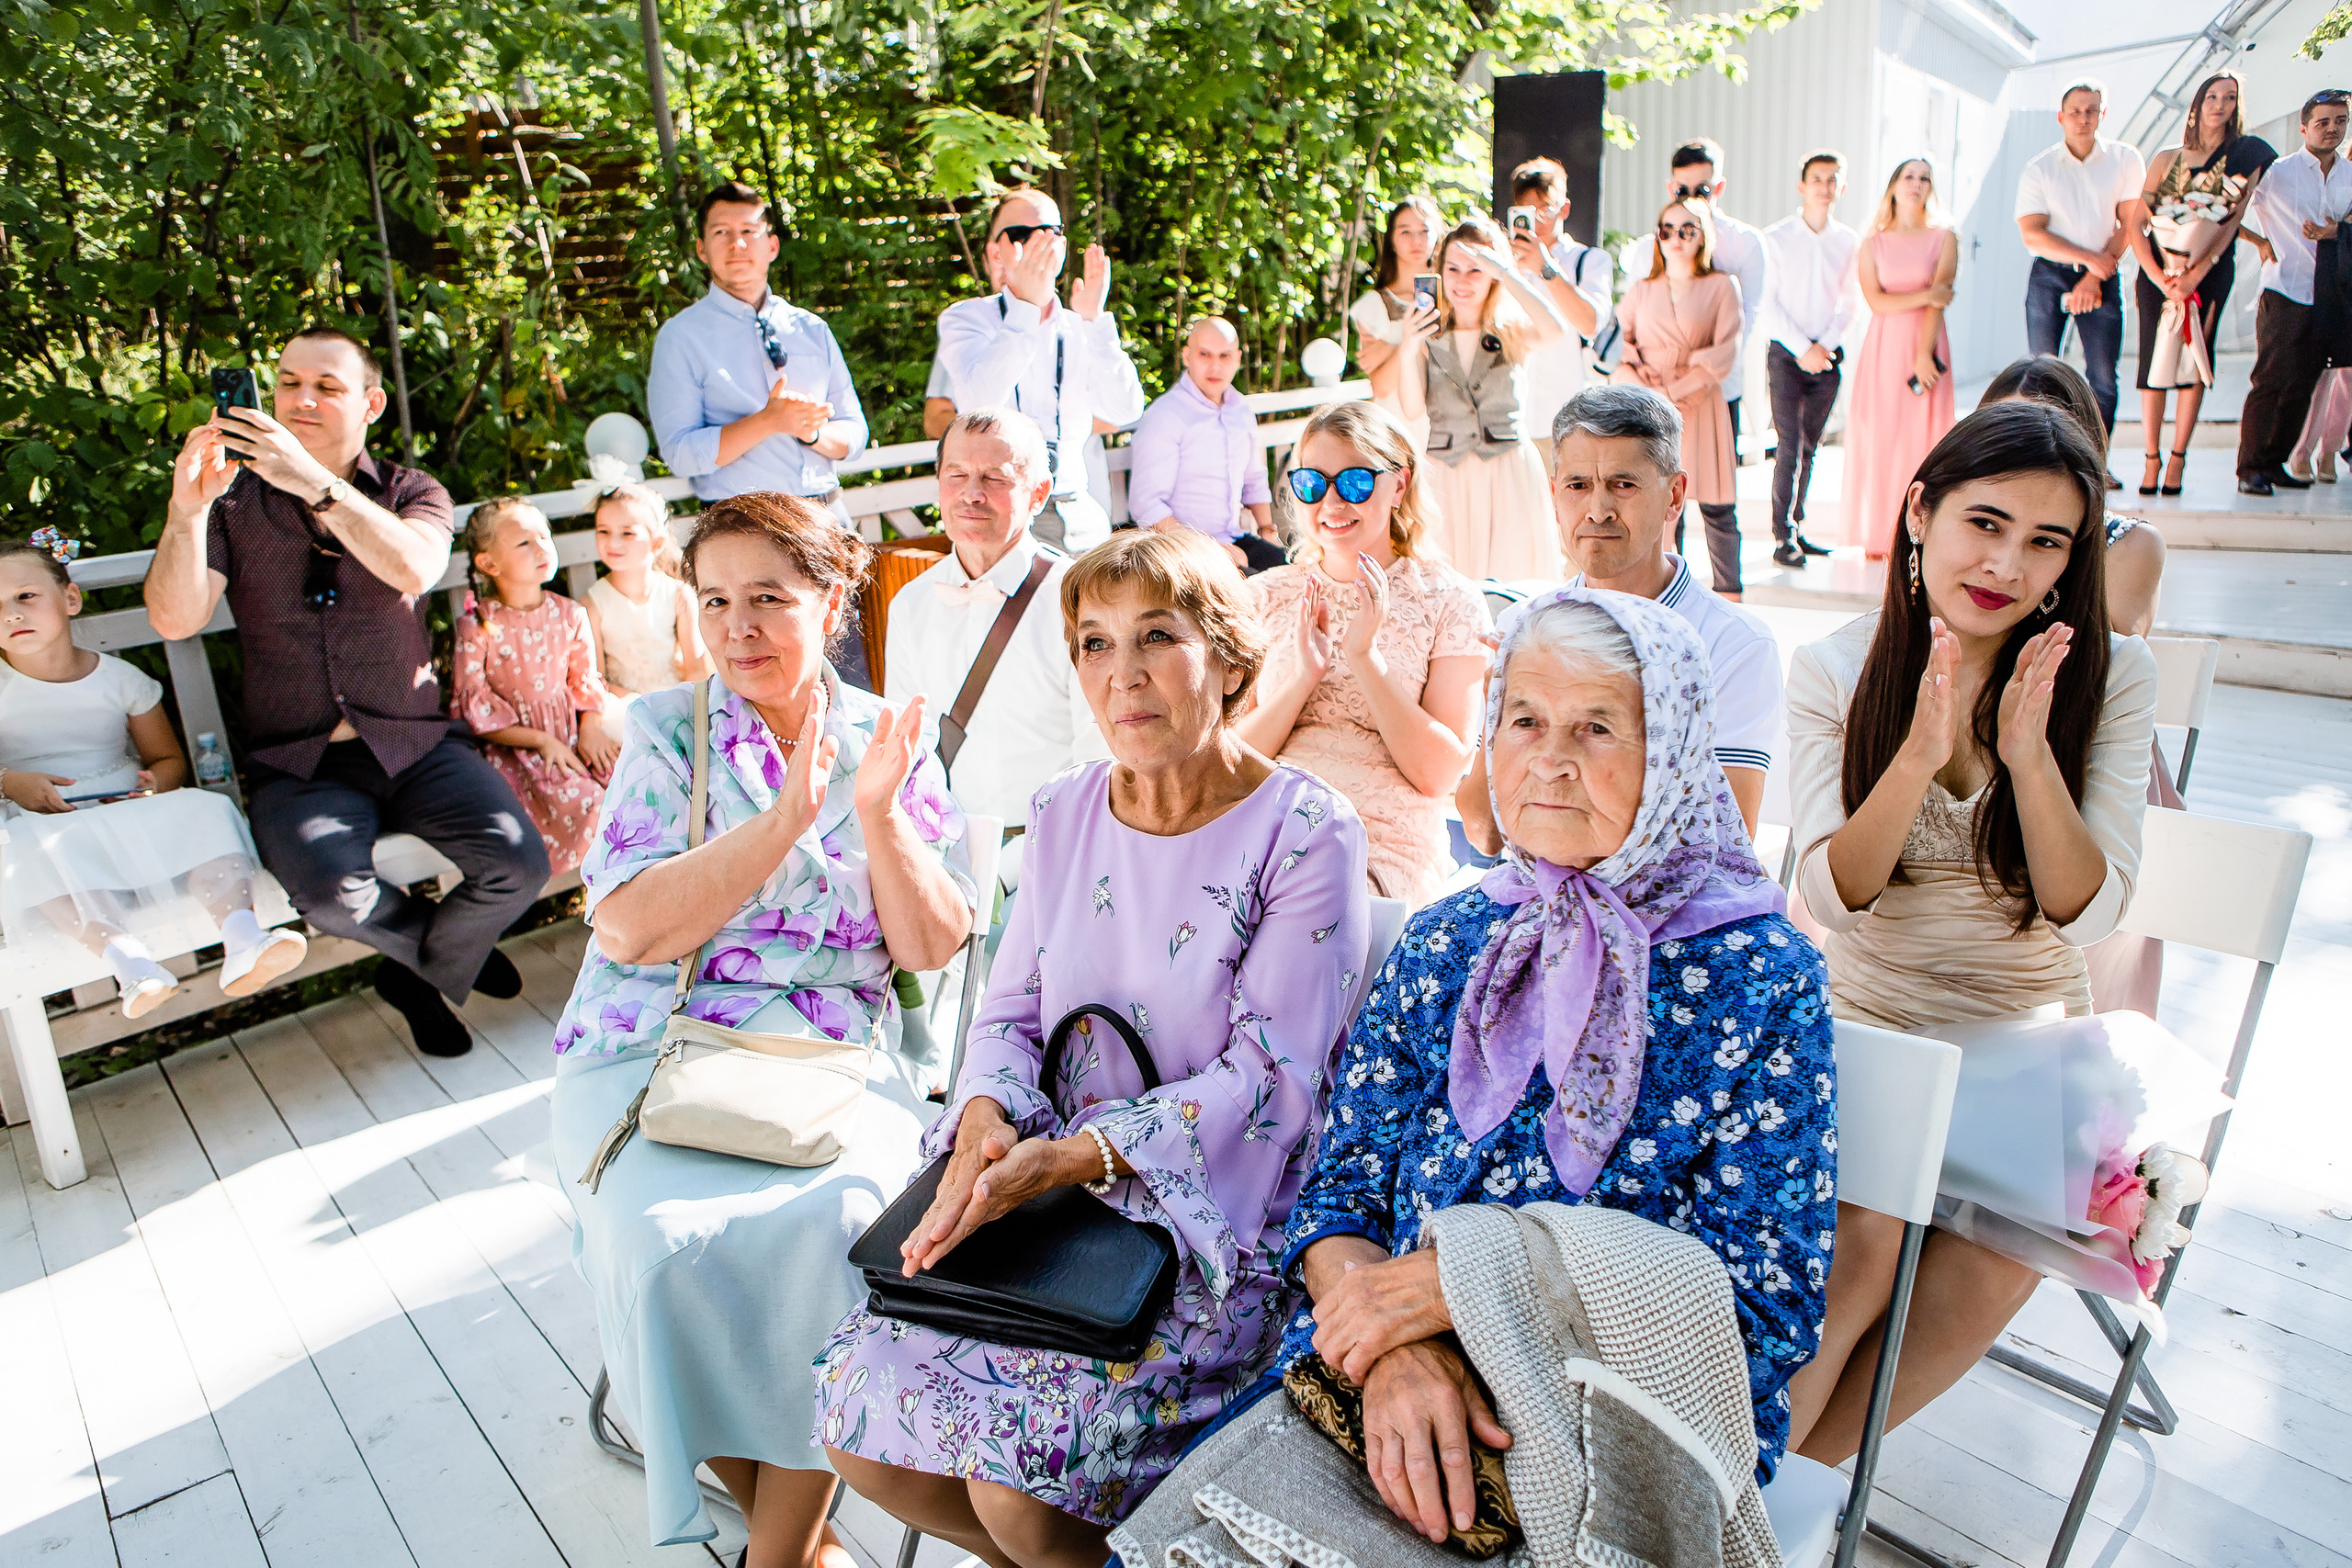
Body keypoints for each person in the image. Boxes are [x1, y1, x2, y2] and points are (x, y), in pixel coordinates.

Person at [820, 527, 1372, 1559]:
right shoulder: (1062, 810)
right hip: (1047, 1199)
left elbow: (1275, 1080)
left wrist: (1084, 1155)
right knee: (860, 1434)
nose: (1123, 675)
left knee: (1020, 1497)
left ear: (1229, 658)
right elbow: (1007, 1016)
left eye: (1156, 636)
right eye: (1093, 644)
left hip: (1211, 1225)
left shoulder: (1307, 828)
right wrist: (983, 1116)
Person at [1249, 585, 1832, 1535]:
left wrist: (1477, 1288)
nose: (1551, 762)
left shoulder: (1761, 978)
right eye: (1523, 719)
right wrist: (1394, 1351)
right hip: (1378, 1385)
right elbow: (1338, 1200)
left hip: (1612, 1424)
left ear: (1675, 750)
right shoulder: (1450, 936)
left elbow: (1763, 1310)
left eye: (1598, 727)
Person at [550, 491, 974, 1562]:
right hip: (654, 1045)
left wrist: (872, 814)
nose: (737, 627)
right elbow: (632, 929)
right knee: (660, 1254)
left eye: (770, 599)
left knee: (844, 1241)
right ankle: (794, 1527)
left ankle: (779, 1551)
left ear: (832, 605)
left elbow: (930, 944)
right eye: (716, 599)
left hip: (832, 1058)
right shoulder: (664, 732)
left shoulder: (890, 736)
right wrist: (784, 818)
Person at [1780, 401, 2157, 1465]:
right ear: (1918, 514)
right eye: (1984, 523)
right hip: (1867, 1015)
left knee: (2001, 1254)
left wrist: (2030, 757)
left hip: (2026, 1035)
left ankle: (1782, 1499)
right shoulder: (1832, 666)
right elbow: (1830, 891)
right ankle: (1741, 1503)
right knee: (1864, 1244)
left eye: (2046, 542)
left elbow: (2093, 912)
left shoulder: (2114, 676)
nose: (2007, 564)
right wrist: (1914, 754)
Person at [148, 327, 545, 1058]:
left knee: (518, 862)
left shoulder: (412, 491)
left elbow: (416, 567)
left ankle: (416, 975)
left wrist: (313, 482)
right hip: (300, 763)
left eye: (326, 387)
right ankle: (437, 957)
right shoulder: (231, 505)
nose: (301, 400)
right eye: (289, 383)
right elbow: (175, 616)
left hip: (415, 741)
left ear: (370, 403)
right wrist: (186, 509)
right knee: (332, 896)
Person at [1458, 384, 1781, 848]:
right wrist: (1497, 713)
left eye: (1623, 485)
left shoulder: (1733, 644)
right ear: (1554, 496)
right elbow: (1485, 834)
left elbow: (1724, 842)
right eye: (1578, 486)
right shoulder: (1521, 629)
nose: (1598, 510)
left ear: (1674, 496)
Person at [0, 533, 306, 1016]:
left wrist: (154, 786)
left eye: (25, 597)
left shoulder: (120, 681)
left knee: (207, 808)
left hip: (124, 807)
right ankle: (132, 963)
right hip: (49, 825)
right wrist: (9, 783)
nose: (11, 614)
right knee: (26, 848)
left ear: (70, 598)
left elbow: (168, 761)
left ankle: (243, 938)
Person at [1237, 400, 1489, 905]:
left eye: (1355, 482)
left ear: (1399, 485)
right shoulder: (1262, 595)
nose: (1331, 502)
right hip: (1263, 830)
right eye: (1312, 483)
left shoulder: (1450, 600)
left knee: (1313, 906)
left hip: (1380, 845)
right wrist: (1302, 679)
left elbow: (1438, 775)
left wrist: (1365, 659)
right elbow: (1231, 762)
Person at [883, 408, 1109, 845]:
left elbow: (1097, 757)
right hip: (944, 851)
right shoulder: (909, 604)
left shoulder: (1080, 600)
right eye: (956, 475)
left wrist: (1010, 872)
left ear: (1039, 493)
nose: (971, 494)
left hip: (1057, 845)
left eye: (995, 478)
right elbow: (906, 752)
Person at [936, 189, 1147, 554]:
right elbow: (977, 403)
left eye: (1049, 233)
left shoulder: (1078, 323)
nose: (1037, 244)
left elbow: (1125, 410)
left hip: (1078, 503)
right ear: (993, 252)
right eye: (1021, 235)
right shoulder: (966, 317)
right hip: (1003, 513)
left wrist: (1094, 321)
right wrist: (1027, 307)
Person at [648, 182, 868, 517]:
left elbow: (855, 433)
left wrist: (810, 432)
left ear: (772, 246)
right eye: (721, 232)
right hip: (742, 526)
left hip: (827, 517)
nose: (737, 244)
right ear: (702, 249)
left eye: (749, 231)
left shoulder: (811, 329)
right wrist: (768, 421)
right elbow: (680, 454)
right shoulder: (681, 337)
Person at [1394, 215, 1571, 581]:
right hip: (1447, 475)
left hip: (1508, 469)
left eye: (1476, 270)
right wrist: (1408, 345)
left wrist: (1508, 273)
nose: (1461, 281)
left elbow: (1557, 330)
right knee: (1452, 583)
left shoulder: (1512, 330)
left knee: (1512, 579)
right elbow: (1412, 409)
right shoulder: (1427, 336)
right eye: (1453, 269)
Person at [2130, 71, 2275, 496]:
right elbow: (2138, 225)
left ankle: (2178, 460)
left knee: (2196, 362)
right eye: (2211, 96)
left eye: (2229, 98)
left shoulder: (2245, 157)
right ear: (2196, 104)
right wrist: (2160, 277)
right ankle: (2151, 458)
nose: (2219, 105)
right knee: (2152, 365)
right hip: (2158, 275)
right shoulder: (2165, 158)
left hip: (2208, 275)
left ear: (2236, 106)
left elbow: (2230, 224)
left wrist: (2197, 271)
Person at [452, 498, 615, 878]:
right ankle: (609, 902)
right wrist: (542, 742)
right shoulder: (477, 625)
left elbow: (585, 681)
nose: (542, 547)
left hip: (576, 738)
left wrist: (590, 727)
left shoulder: (570, 614)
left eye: (544, 536)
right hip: (520, 751)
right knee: (593, 804)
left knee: (639, 785)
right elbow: (474, 709)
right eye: (524, 543)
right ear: (489, 564)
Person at [1978, 356, 2168, 639]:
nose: (2022, 457)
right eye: (2005, 437)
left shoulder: (2130, 542)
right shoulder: (1964, 520)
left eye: (2045, 437)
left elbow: (2114, 664)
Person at [1611, 198, 1746, 596]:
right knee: (1663, 502)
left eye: (1687, 229)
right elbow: (1616, 347)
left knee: (1716, 506)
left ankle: (1730, 595)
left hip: (1700, 403)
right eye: (1666, 229)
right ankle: (1667, 592)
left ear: (1703, 235)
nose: (1675, 238)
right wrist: (1642, 389)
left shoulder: (1722, 285)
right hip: (1648, 407)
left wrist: (1671, 391)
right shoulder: (1641, 289)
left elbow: (1724, 352)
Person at [2016, 80, 2145, 475]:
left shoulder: (2125, 159)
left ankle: (2094, 466)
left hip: (2104, 273)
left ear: (2102, 114)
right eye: (2075, 111)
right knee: (2041, 371)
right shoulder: (2039, 167)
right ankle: (2042, 466)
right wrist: (2089, 261)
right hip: (2049, 274)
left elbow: (2132, 223)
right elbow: (2032, 233)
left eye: (2092, 110)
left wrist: (2094, 274)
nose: (2083, 118)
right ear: (2061, 117)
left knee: (2103, 377)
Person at [1620, 140, 1772, 467]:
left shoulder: (1745, 243)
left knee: (1717, 501)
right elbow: (1629, 320)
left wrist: (1705, 375)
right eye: (1681, 190)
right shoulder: (1651, 247)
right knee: (1659, 494)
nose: (1690, 197)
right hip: (1655, 387)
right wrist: (1654, 380)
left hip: (1716, 386)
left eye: (1701, 189)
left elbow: (1751, 315)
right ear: (1669, 186)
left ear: (1719, 186)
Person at [2237, 91, 2352, 496]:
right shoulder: (2277, 172)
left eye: (2340, 120)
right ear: (2304, 127)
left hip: (2329, 296)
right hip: (2284, 289)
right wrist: (2258, 241)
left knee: (2302, 386)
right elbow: (2225, 211)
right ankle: (2250, 468)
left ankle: (2275, 463)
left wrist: (2341, 230)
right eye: (2323, 121)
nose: (2332, 128)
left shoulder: (2349, 175)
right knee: (2270, 381)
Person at [1845, 157, 1960, 559]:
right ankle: (1880, 534)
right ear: (1893, 185)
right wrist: (1925, 294)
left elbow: (1940, 299)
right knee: (1884, 438)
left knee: (1924, 440)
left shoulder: (1944, 237)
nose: (1917, 184)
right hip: (1883, 350)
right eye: (1909, 177)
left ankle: (1922, 532)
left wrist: (1923, 355)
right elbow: (1876, 301)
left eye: (1925, 178)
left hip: (1925, 347)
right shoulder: (1872, 243)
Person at [1760, 150, 1863, 569]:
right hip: (1787, 353)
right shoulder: (1775, 237)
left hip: (1828, 355)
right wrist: (1803, 348)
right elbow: (1766, 303)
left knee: (1812, 445)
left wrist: (1826, 345)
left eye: (1833, 179)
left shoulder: (1848, 241)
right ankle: (1781, 534)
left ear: (1842, 187)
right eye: (1817, 179)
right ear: (1802, 186)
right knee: (1789, 444)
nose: (1825, 186)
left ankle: (1799, 527)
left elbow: (1852, 301)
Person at [1127, 317, 1281, 572]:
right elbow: (1145, 504)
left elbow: (1254, 479)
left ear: (1238, 359)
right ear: (1187, 356)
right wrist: (1210, 550)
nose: (1215, 367)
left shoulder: (1240, 410)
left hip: (1233, 539)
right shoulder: (1166, 415)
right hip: (1179, 550)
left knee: (1290, 575)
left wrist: (1267, 533)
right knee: (1254, 587)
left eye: (1225, 356)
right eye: (1204, 355)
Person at [1503, 157, 1612, 434]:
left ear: (1564, 209)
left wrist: (1546, 268)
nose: (1536, 220)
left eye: (1544, 210)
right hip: (1512, 416)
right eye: (1527, 211)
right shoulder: (1504, 263)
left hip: (1570, 415)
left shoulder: (1589, 260)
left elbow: (1590, 324)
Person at [586, 481, 709, 701]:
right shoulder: (592, 603)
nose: (613, 542)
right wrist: (639, 705)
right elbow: (597, 678)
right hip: (624, 704)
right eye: (603, 531)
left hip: (675, 699)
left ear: (656, 543)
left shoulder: (679, 594)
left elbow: (697, 670)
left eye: (627, 533)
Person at [1351, 195, 1446, 451]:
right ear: (1391, 238)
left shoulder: (1455, 296)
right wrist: (1406, 343)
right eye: (1405, 232)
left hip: (1448, 427)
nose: (1416, 240)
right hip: (1396, 431)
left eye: (1424, 231)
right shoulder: (1374, 305)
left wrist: (1390, 347)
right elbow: (1380, 385)